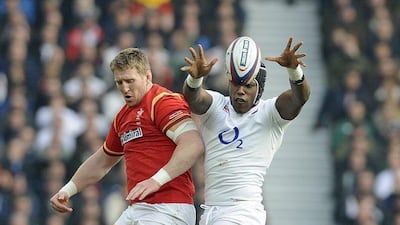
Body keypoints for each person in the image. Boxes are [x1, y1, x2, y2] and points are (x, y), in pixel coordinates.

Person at [50, 47, 205, 225]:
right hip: (138, 209)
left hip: (169, 208)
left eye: (130, 81)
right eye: (119, 82)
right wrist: (67, 190)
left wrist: (156, 180)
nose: (124, 88)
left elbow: (193, 144)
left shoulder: (162, 102)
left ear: (148, 77)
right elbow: (102, 161)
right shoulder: (123, 116)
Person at [180, 36, 311, 225]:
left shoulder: (270, 114)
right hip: (210, 211)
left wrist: (294, 71)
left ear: (259, 88)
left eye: (248, 85)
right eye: (236, 84)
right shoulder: (217, 105)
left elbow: (299, 98)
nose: (240, 90)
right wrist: (195, 78)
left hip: (243, 213)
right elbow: (194, 99)